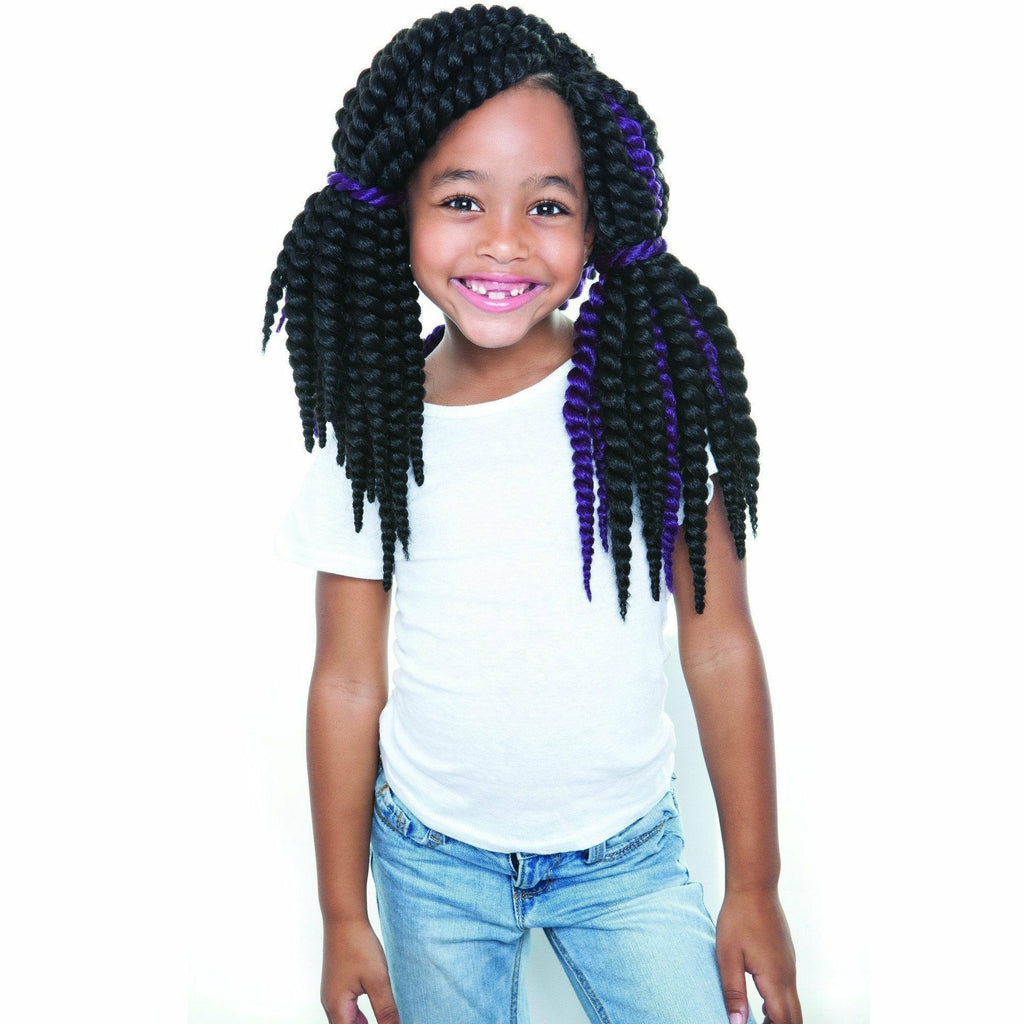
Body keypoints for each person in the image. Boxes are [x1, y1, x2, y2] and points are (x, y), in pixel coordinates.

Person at [264, 6, 801, 1023]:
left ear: (597, 226)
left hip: (627, 859)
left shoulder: (647, 401)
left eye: (548, 205)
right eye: (461, 198)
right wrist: (341, 913)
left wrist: (755, 885)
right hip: (431, 863)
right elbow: (346, 679)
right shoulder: (377, 428)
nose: (504, 241)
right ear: (400, 211)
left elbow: (719, 642)